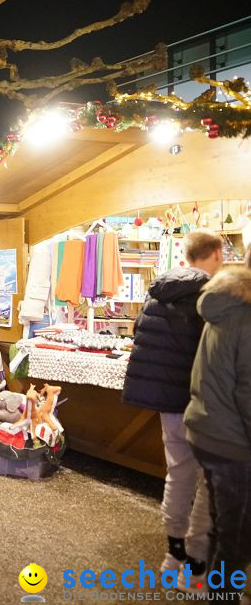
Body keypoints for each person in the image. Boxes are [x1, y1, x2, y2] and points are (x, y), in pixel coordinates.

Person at [123, 230, 222, 585]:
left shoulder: (158, 292)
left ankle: (173, 555)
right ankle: (195, 565)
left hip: (168, 402)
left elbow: (140, 340)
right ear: (216, 253)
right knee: (209, 481)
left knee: (178, 473)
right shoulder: (210, 296)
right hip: (200, 401)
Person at [184, 249, 251, 598]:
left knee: (223, 528)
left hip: (208, 430)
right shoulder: (245, 313)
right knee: (236, 538)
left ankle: (217, 593)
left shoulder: (227, 303)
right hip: (233, 442)